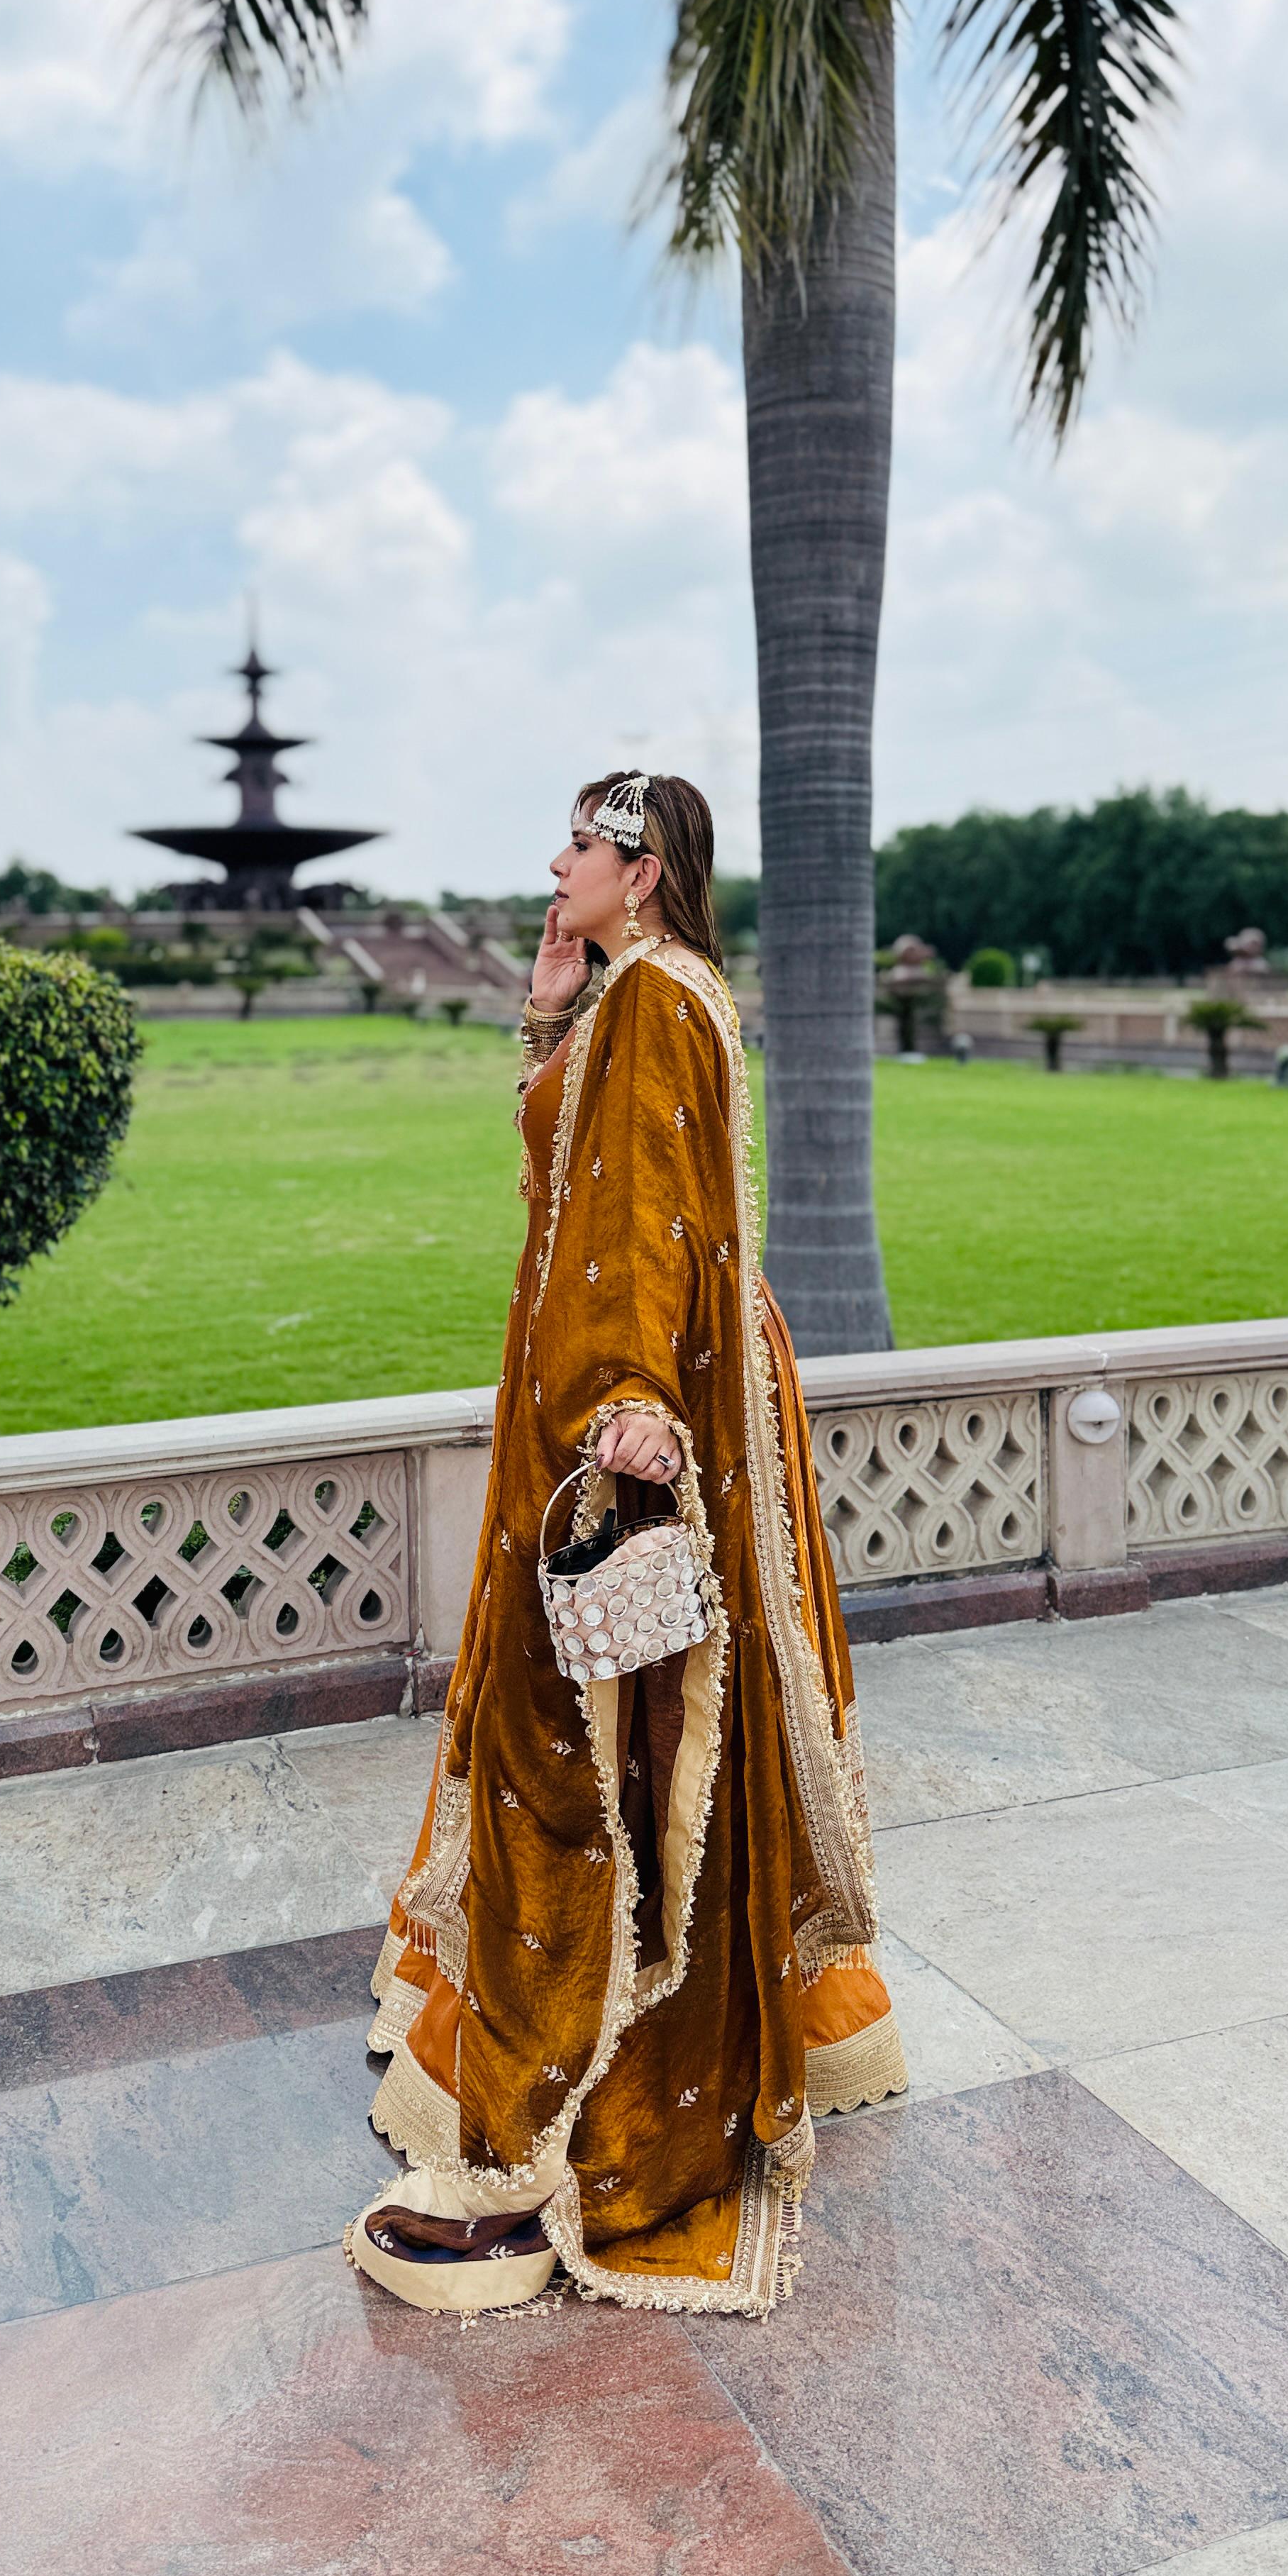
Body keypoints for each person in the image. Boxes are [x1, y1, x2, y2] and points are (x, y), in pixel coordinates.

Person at [348, 771, 905, 2316]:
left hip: (637, 1404)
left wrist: (625, 1402)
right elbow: (568, 1196)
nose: (552, 863)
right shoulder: (637, 994)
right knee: (626, 1730)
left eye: (579, 848)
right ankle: (653, 2046)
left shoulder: (660, 999)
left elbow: (645, 1222)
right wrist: (543, 1022)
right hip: (635, 1383)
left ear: (643, 875)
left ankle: (582, 2110)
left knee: (586, 1737)